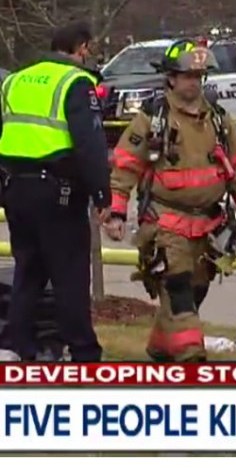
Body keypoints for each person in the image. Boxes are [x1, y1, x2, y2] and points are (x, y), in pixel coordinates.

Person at [103, 39, 236, 362]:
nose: (194, 82)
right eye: (188, 76)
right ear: (171, 78)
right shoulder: (153, 118)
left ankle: (162, 346)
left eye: (199, 76)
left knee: (198, 287)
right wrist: (116, 211)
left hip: (208, 223)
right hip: (165, 220)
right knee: (177, 286)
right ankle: (192, 354)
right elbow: (125, 165)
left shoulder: (217, 119)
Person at [0, 21, 109, 362]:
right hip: (58, 193)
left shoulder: (15, 80)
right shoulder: (76, 82)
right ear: (82, 47)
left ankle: (14, 345)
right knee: (70, 275)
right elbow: (90, 144)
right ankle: (83, 352)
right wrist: (103, 195)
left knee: (28, 271)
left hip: (16, 188)